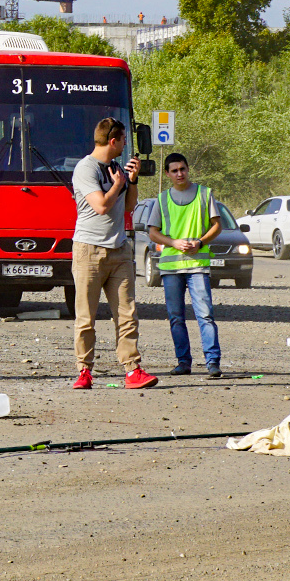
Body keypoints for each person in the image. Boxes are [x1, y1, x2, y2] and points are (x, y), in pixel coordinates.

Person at [69, 118, 158, 390]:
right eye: (122, 141)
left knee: (127, 313)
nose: (124, 146)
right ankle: (84, 371)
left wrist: (131, 180)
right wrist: (118, 185)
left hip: (119, 250)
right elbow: (101, 207)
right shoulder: (85, 169)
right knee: (86, 316)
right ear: (113, 141)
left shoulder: (116, 169)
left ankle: (132, 370)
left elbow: (129, 206)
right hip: (89, 251)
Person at [145, 153, 223, 377]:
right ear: (168, 174)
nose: (180, 173)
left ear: (188, 170)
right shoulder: (161, 199)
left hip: (197, 266)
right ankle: (183, 362)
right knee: (176, 317)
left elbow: (217, 226)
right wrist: (173, 242)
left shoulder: (205, 194)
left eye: (183, 169)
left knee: (205, 315)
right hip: (171, 268)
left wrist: (200, 242)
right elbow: (153, 232)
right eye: (174, 170)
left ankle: (212, 362)